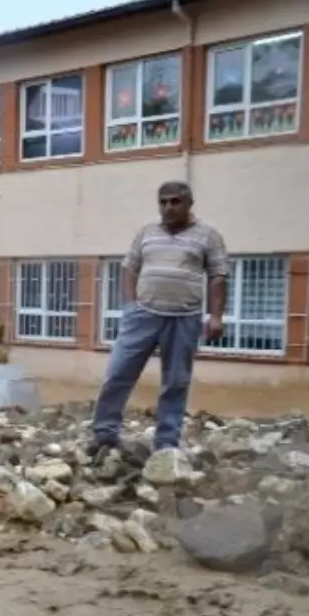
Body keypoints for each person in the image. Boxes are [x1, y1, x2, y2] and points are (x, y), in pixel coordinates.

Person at [88, 181, 227, 458]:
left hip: (184, 318)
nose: (168, 207)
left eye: (175, 201)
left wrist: (216, 316)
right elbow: (130, 267)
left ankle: (166, 443)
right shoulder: (146, 232)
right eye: (163, 202)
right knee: (117, 373)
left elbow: (218, 276)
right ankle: (105, 434)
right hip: (143, 317)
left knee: (175, 382)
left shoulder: (208, 236)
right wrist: (130, 306)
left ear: (189, 204)